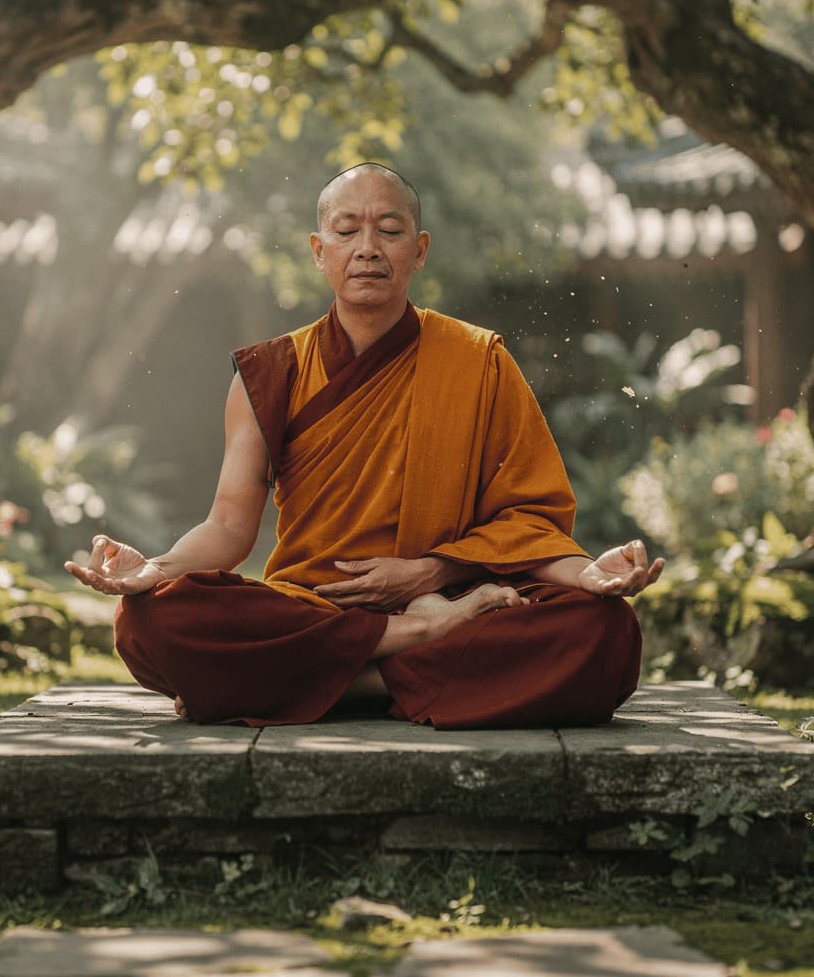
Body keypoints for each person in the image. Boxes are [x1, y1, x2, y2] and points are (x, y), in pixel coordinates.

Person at [65, 162, 663, 729]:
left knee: (604, 631)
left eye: (390, 230)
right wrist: (157, 568)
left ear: (419, 250)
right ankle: (403, 654)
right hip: (313, 610)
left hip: (452, 599)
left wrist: (582, 576)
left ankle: (317, 680)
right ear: (319, 250)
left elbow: (528, 520)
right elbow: (227, 525)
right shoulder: (271, 372)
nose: (368, 248)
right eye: (347, 230)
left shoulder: (479, 361)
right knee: (151, 620)